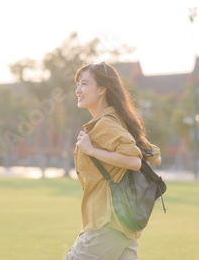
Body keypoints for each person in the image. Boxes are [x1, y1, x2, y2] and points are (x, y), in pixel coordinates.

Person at [65, 61, 162, 260]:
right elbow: (155, 157)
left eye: (84, 84)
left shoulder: (105, 124)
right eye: (77, 85)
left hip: (106, 223)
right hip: (124, 227)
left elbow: (134, 161)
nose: (78, 90)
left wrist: (91, 150)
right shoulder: (118, 121)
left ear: (101, 89)